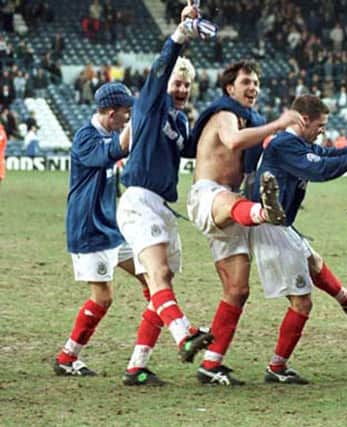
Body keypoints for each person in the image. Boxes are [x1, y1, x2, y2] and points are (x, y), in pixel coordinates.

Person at [248, 94, 347, 385]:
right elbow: (319, 170)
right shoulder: (284, 144)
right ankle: (277, 367)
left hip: (281, 224)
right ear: (303, 120)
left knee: (313, 260)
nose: (323, 130)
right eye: (320, 124)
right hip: (270, 227)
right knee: (302, 303)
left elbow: (324, 156)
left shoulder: (298, 144)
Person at [187, 60, 304, 386]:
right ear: (230, 89)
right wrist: (278, 123)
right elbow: (234, 141)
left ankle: (211, 364)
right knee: (239, 203)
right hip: (209, 195)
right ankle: (266, 212)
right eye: (246, 82)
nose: (253, 88)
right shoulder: (225, 114)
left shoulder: (250, 120)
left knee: (237, 290)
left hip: (231, 205)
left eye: (256, 83)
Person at [116, 4, 214, 386]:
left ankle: (137, 366)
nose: (181, 88)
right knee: (157, 275)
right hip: (139, 199)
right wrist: (180, 34)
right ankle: (184, 334)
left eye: (186, 84)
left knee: (162, 283)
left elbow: (192, 148)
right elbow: (161, 67)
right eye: (176, 82)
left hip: (162, 206)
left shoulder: (179, 118)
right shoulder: (151, 104)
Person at [53, 82, 140, 377]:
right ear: (112, 113)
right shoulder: (85, 138)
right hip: (89, 228)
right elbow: (114, 151)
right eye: (126, 113)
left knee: (153, 275)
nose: (128, 118)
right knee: (103, 298)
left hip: (111, 228)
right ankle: (67, 357)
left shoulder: (111, 131)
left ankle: (151, 347)